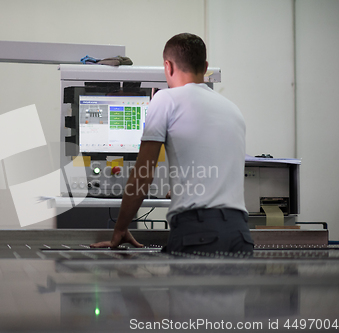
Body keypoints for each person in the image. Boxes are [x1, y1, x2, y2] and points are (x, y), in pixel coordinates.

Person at [91, 33, 254, 255]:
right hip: (240, 234)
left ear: (167, 66)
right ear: (205, 67)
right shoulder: (233, 110)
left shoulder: (166, 99)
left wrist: (120, 228)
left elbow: (143, 174)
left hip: (197, 232)